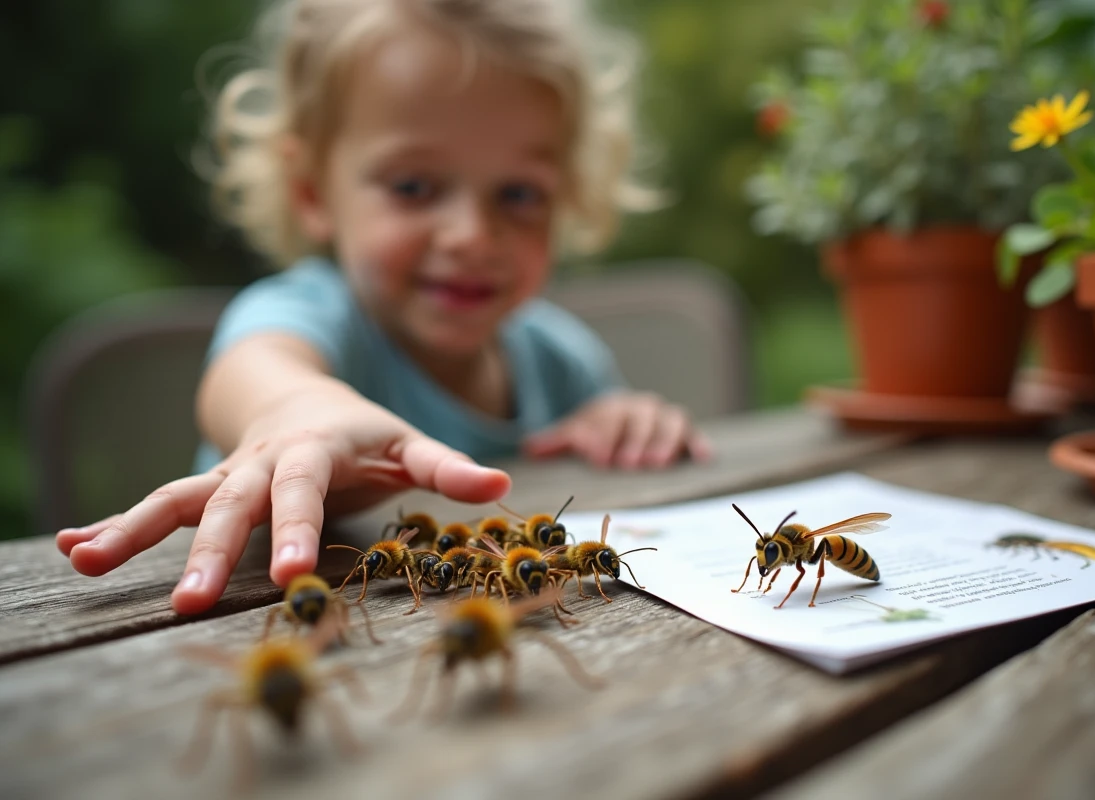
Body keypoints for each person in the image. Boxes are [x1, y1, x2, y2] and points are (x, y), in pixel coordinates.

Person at [55, 0, 711, 614]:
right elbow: (253, 369)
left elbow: (605, 444)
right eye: (414, 186)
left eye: (518, 193)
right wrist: (298, 411)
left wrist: (624, 423)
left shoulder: (560, 358)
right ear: (312, 192)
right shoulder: (307, 313)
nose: (472, 235)